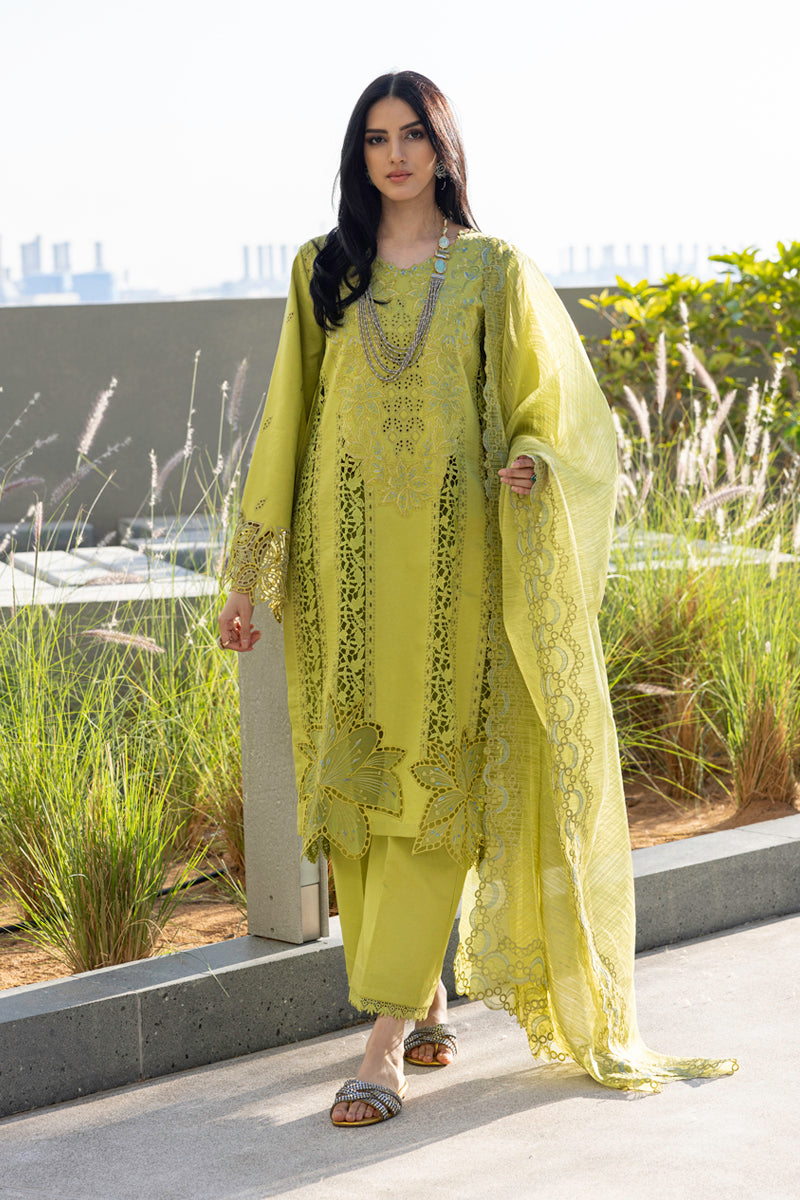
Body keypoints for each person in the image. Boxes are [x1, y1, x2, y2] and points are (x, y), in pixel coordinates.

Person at [218, 70, 736, 1127]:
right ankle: (421, 1000)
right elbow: (285, 419)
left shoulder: (494, 270)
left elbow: (557, 410)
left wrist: (532, 461)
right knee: (359, 791)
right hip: (344, 567)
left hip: (458, 569)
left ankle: (380, 1049)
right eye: (376, 139)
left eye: (413, 134)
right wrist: (247, 577)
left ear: (443, 147)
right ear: (358, 155)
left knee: (437, 786)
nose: (395, 155)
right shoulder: (322, 269)